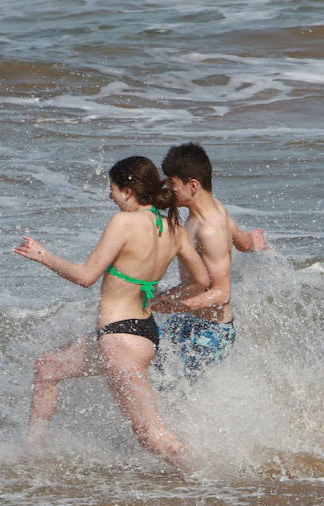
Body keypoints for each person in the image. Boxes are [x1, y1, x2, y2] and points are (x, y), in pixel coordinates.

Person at [14, 156, 208, 470]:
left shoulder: (124, 222)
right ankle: (33, 455)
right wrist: (161, 300)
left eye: (113, 190)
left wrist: (43, 256)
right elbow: (200, 281)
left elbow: (85, 276)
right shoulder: (171, 226)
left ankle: (210, 476)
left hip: (120, 342)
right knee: (47, 368)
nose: (111, 197)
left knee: (150, 435)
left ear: (129, 191)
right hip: (142, 335)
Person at [149, 142, 267, 380]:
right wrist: (254, 242)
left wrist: (170, 304)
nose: (169, 189)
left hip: (212, 332)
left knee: (178, 394)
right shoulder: (211, 210)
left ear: (193, 185)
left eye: (172, 183)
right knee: (147, 362)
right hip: (188, 318)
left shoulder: (209, 229)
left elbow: (222, 293)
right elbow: (241, 242)